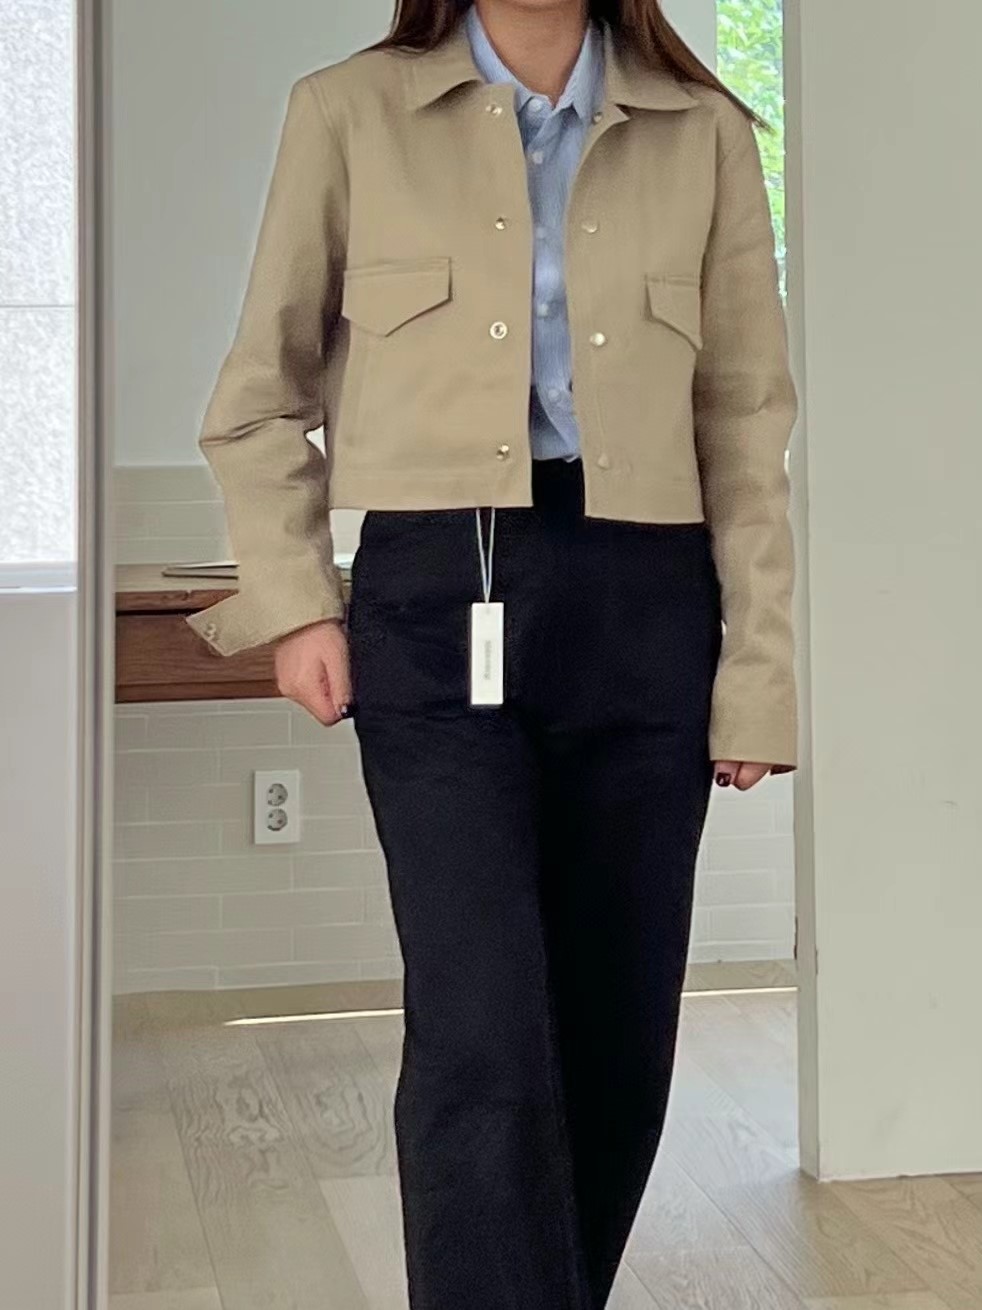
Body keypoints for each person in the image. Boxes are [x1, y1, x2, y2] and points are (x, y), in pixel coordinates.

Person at [186, 1, 798, 1305]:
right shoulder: (346, 112)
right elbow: (257, 398)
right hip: (431, 595)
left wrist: (757, 670)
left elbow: (746, 425)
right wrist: (297, 601)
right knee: (481, 1027)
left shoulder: (703, 132)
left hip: (647, 601)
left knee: (616, 1027)